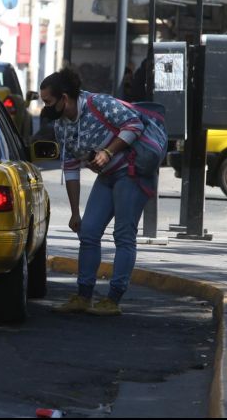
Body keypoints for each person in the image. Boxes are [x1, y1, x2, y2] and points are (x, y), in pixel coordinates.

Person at [39, 67, 154, 316]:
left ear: (64, 98)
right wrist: (73, 212)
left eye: (48, 101)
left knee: (123, 235)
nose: (45, 107)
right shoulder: (61, 126)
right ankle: (84, 296)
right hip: (107, 177)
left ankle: (113, 299)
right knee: (88, 232)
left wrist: (108, 152)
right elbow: (70, 167)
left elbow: (135, 124)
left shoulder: (98, 104)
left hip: (131, 173)